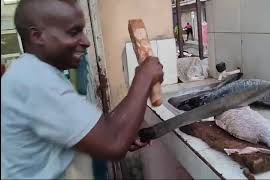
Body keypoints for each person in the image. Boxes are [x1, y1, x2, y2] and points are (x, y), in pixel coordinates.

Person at [1, 0, 164, 179]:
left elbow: (102, 131)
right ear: (37, 36)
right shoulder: (36, 82)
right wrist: (144, 78)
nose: (86, 42)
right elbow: (114, 144)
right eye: (73, 32)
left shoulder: (30, 71)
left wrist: (122, 131)